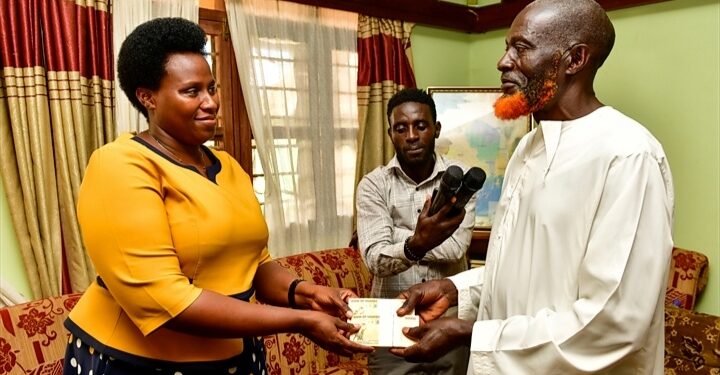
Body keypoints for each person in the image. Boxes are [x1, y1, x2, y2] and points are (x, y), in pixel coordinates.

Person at [63, 17, 372, 375]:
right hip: (137, 361)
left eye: (212, 87)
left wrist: (308, 293)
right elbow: (166, 299)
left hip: (233, 357)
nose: (211, 102)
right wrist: (299, 320)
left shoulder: (227, 166)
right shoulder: (119, 165)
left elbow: (254, 262)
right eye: (192, 91)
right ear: (147, 97)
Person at [390, 1, 674, 374]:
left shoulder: (628, 155)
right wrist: (456, 291)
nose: (502, 62)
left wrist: (475, 334)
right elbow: (518, 272)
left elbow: (613, 323)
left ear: (574, 59)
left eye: (520, 48)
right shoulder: (528, 146)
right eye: (507, 46)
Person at [355, 88, 477, 374]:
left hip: (448, 327)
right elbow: (375, 259)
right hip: (391, 328)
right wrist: (416, 242)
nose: (411, 135)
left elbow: (455, 248)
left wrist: (400, 237)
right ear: (390, 134)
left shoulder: (460, 183)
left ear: (435, 129)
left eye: (420, 125)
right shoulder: (373, 185)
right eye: (401, 127)